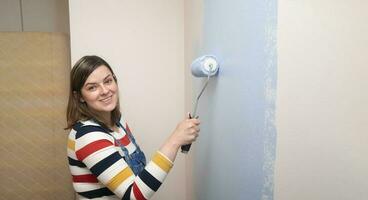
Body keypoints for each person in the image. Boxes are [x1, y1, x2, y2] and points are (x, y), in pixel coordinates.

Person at [65, 55, 200, 199]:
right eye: (92, 87)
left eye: (108, 81)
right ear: (79, 96)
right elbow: (133, 196)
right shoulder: (88, 136)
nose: (105, 91)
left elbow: (136, 179)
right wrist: (175, 140)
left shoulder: (118, 121)